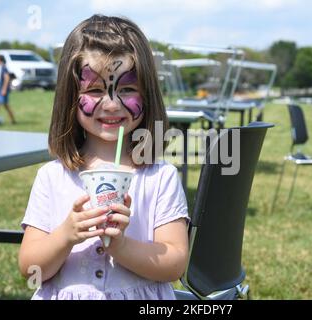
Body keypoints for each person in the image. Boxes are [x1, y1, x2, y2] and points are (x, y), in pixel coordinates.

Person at [18, 15, 189, 300]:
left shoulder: (159, 177)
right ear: (71, 97)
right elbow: (30, 268)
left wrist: (121, 247)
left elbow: (175, 263)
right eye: (95, 90)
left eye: (127, 89)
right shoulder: (52, 177)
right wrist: (65, 235)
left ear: (147, 95)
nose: (112, 104)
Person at [0, 55, 16, 124]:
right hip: (2, 90)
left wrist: (4, 89)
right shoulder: (3, 67)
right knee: (6, 106)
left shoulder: (4, 68)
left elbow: (7, 79)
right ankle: (13, 121)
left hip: (2, 91)